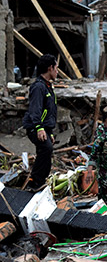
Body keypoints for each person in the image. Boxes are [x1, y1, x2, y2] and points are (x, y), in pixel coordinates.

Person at [23, 54, 58, 190]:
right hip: (35, 126)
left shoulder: (48, 86)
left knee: (47, 150)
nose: (57, 71)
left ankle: (40, 181)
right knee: (45, 148)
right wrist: (39, 127)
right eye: (56, 68)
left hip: (44, 128)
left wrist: (49, 131)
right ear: (50, 68)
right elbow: (35, 109)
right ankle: (34, 181)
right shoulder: (38, 87)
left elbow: (48, 111)